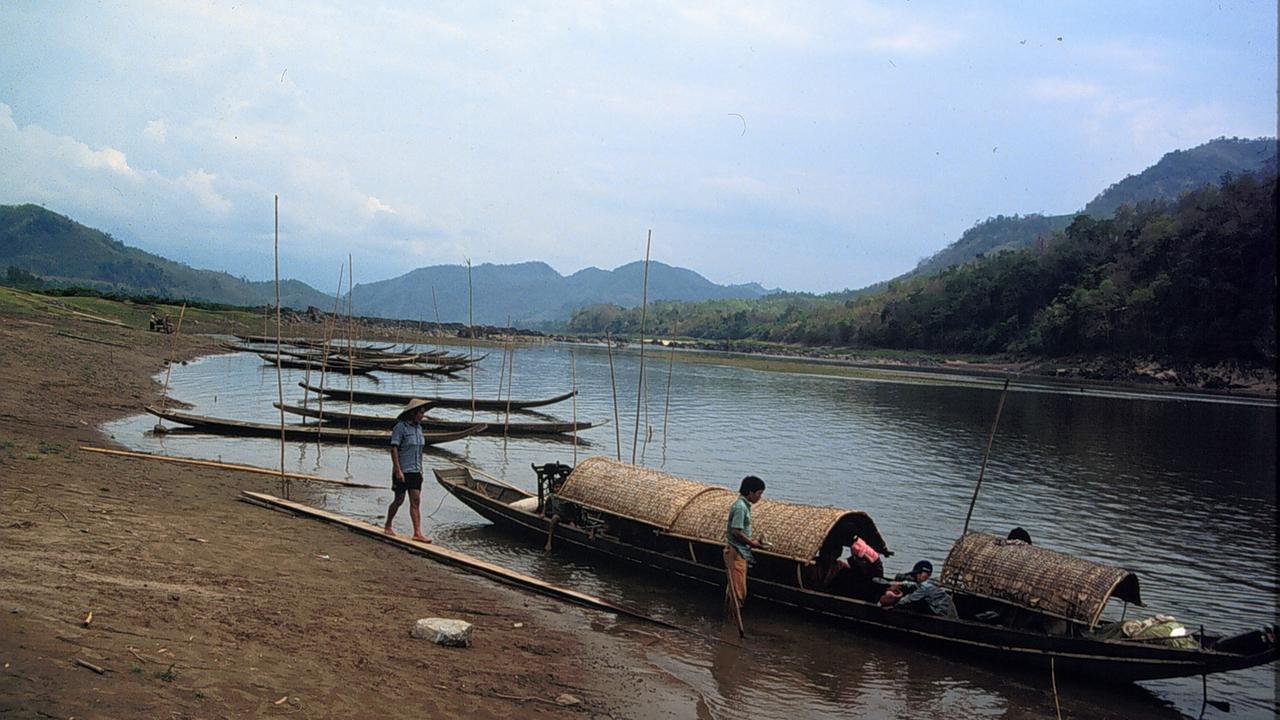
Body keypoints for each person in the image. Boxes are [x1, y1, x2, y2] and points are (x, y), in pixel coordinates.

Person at [385, 398, 431, 543]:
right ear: (413, 413)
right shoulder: (401, 427)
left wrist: (421, 471)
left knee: (416, 501)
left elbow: (419, 451)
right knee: (399, 499)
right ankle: (388, 524)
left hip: (415, 470)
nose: (422, 415)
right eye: (420, 413)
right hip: (403, 470)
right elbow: (394, 449)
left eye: (423, 413)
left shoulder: (419, 429)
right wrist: (398, 470)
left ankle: (417, 532)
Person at [724, 475, 766, 611]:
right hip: (736, 552)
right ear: (750, 493)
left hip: (740, 551)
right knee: (737, 591)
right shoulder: (741, 507)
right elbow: (736, 531)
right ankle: (732, 624)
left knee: (735, 588)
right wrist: (753, 544)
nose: (760, 497)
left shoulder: (743, 506)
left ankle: (729, 621)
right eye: (759, 493)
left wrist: (750, 542)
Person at [879, 560, 957, 618]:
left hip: (941, 614)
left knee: (916, 602)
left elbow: (911, 598)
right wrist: (900, 584)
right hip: (941, 609)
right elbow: (915, 585)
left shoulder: (926, 587)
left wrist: (894, 606)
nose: (918, 576)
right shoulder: (930, 583)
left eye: (920, 574)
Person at [543, 474, 579, 552]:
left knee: (573, 527)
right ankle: (549, 542)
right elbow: (545, 506)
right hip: (556, 516)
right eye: (556, 487)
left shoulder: (565, 497)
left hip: (565, 517)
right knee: (554, 518)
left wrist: (573, 522)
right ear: (553, 488)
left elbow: (571, 512)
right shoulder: (552, 496)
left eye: (560, 487)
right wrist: (542, 513)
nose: (558, 489)